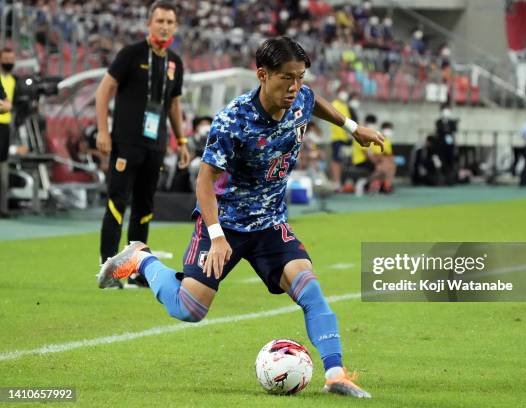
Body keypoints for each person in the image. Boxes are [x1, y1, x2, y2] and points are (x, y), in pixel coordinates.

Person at [97, 37, 384, 398]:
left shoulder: (300, 99)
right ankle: (142, 258)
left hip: (270, 224)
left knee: (308, 286)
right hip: (224, 223)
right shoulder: (234, 120)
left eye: (299, 77)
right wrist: (217, 237)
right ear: (262, 75)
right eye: (286, 78)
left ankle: (336, 374)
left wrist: (353, 128)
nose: (294, 87)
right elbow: (204, 182)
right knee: (189, 309)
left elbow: (314, 101)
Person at [95, 0, 189, 288]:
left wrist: (181, 140)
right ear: (149, 23)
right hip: (125, 142)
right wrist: (103, 131)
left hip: (155, 146)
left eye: (169, 22)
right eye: (159, 21)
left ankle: (136, 272)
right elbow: (103, 92)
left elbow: (174, 104)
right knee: (117, 203)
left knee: (145, 208)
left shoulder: (175, 62)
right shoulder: (131, 54)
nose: (164, 26)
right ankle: (108, 270)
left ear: (175, 26)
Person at [329, 85, 352, 190]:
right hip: (337, 138)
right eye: (342, 91)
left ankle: (339, 182)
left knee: (341, 162)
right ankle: (336, 182)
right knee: (336, 161)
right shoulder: (334, 104)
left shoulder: (345, 106)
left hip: (345, 139)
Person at [0, 49, 14, 218]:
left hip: (4, 127)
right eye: (6, 59)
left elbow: (8, 105)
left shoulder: (13, 80)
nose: (9, 61)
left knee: (3, 169)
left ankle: (3, 209)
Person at [434, 104, 458, 185]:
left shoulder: (452, 122)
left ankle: (450, 180)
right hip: (441, 146)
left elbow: (454, 130)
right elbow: (439, 132)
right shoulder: (438, 122)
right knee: (442, 163)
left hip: (450, 146)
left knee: (450, 163)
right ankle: (442, 180)